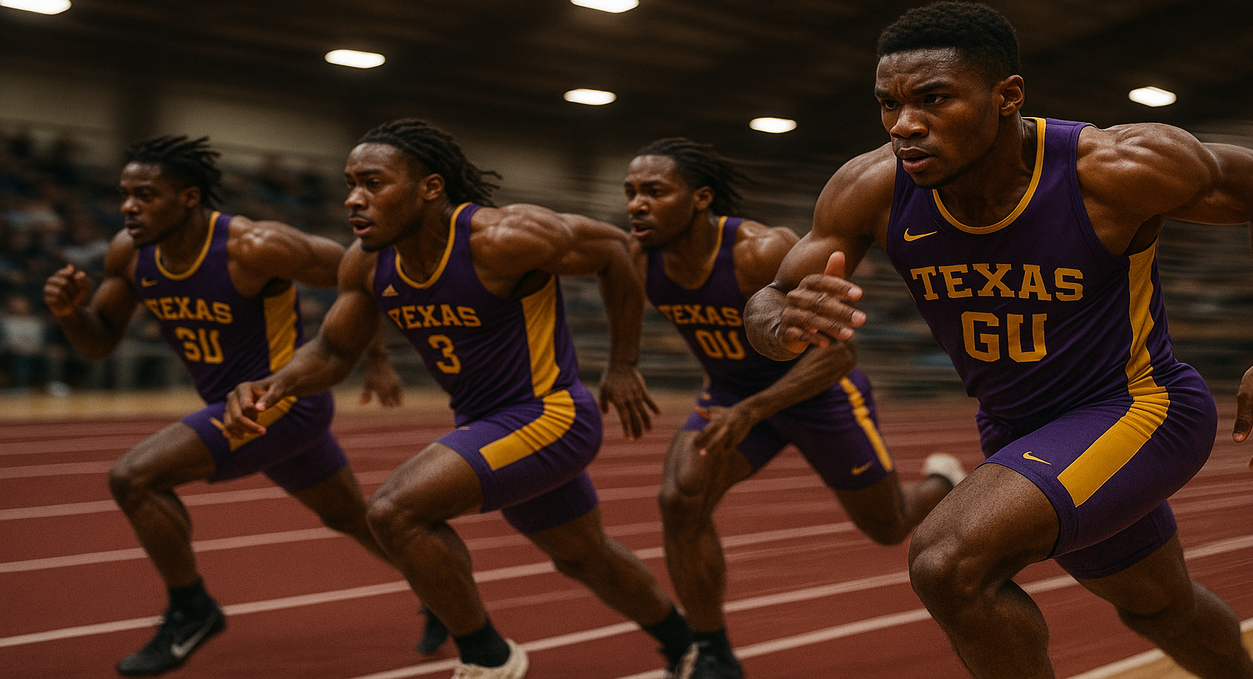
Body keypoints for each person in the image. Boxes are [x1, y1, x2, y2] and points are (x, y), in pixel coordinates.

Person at [743, 0, 1253, 679]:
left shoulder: (1113, 167)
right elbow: (769, 301)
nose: (905, 125)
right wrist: (780, 326)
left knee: (947, 562)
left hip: (1140, 408)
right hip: (1017, 430)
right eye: (889, 104)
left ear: (1006, 97)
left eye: (933, 99)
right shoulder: (870, 188)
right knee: (1159, 608)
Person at [222, 118, 695, 679]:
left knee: (395, 510)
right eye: (351, 182)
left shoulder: (502, 238)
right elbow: (330, 352)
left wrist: (622, 364)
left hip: (551, 414)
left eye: (374, 183)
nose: (354, 198)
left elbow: (615, 251)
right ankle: (686, 644)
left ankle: (488, 657)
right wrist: (275, 384)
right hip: (487, 423)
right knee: (582, 557)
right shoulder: (368, 262)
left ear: (429, 188)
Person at [43, 135, 417, 677]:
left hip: (281, 403)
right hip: (238, 410)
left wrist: (374, 355)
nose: (128, 206)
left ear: (189, 198)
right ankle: (441, 593)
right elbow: (98, 342)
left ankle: (192, 608)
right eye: (125, 194)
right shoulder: (129, 252)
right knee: (350, 518)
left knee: (134, 478)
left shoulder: (254, 246)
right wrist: (69, 313)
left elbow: (360, 273)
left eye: (146, 195)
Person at [624, 137, 966, 678]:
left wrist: (754, 409)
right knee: (679, 500)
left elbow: (838, 357)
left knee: (888, 526)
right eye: (631, 192)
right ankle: (712, 651)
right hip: (733, 396)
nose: (636, 204)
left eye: (654, 191)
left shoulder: (759, 251)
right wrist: (621, 366)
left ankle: (941, 482)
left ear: (700, 199)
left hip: (819, 392)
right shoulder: (640, 261)